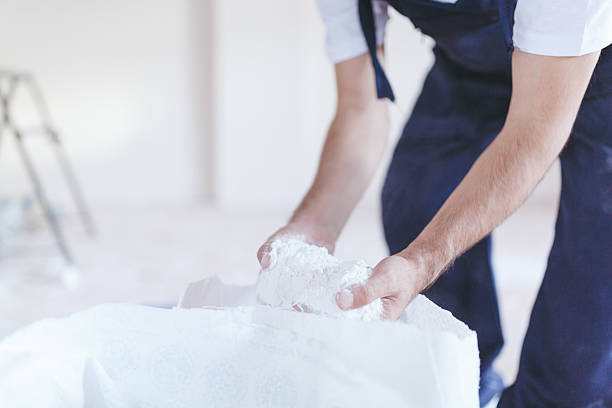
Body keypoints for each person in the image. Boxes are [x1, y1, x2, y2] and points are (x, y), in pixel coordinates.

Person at [257, 0, 612, 406]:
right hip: (472, 72)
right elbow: (360, 108)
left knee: (576, 367)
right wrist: (313, 224)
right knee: (415, 202)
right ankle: (467, 382)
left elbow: (534, 127)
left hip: (599, 77)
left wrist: (421, 260)